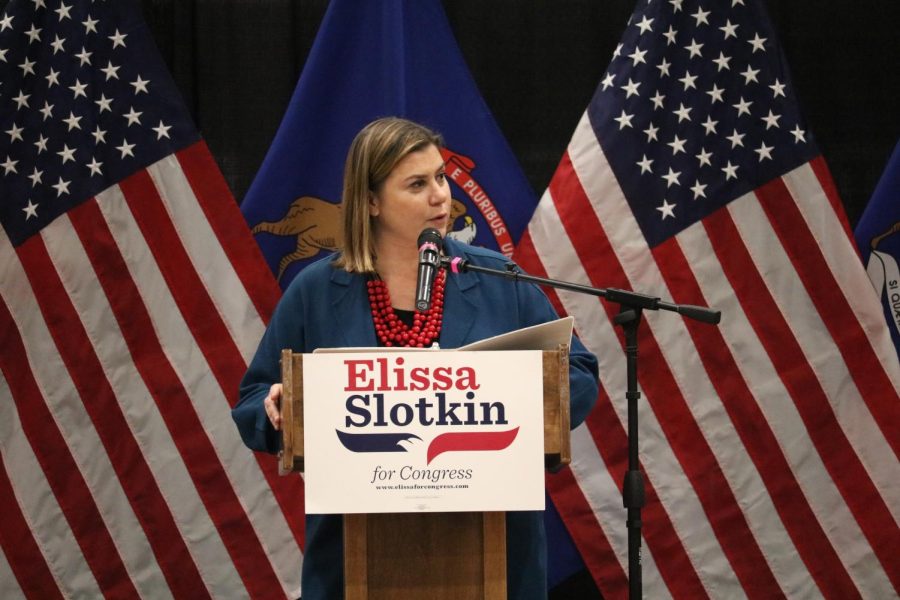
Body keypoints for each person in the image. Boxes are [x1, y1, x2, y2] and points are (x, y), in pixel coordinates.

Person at [233, 117, 599, 599]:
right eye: (417, 184)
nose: (440, 196)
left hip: (494, 550)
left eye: (441, 178)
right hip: (356, 551)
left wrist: (526, 398)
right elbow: (254, 399)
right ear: (370, 201)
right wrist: (278, 407)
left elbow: (579, 372)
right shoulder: (318, 290)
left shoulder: (496, 277)